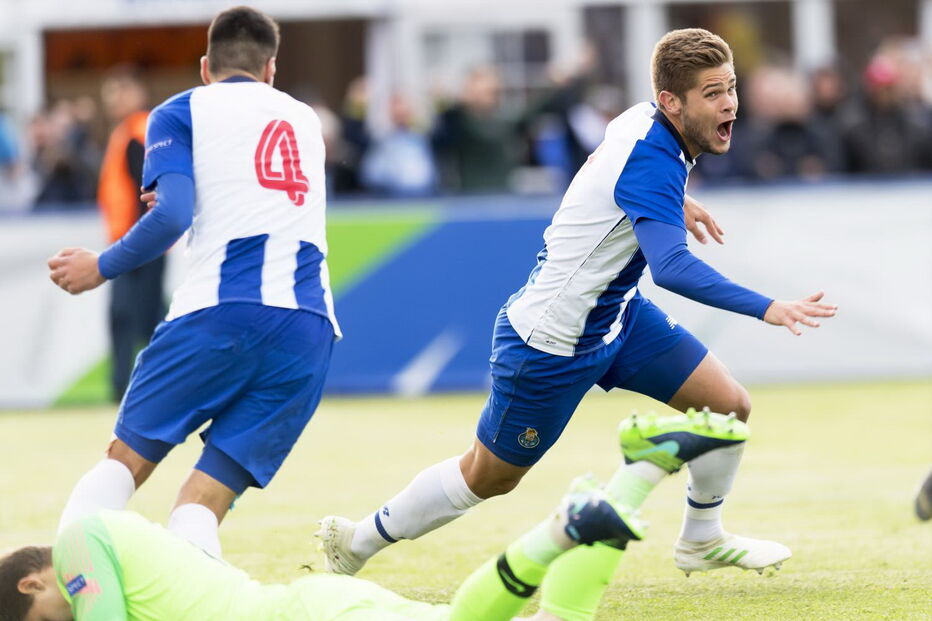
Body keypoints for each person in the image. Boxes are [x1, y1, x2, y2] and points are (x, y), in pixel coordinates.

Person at [319, 29, 836, 612]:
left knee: (728, 406)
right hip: (549, 342)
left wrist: (674, 203)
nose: (731, 104)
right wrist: (768, 306)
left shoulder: (645, 122)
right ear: (672, 102)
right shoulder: (652, 155)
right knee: (487, 475)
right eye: (713, 93)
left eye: (732, 88)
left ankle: (701, 539)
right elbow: (669, 268)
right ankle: (357, 541)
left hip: (615, 317)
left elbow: (608, 179)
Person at [46, 6, 339, 559]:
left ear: (205, 66)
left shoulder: (180, 110)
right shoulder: (306, 120)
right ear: (271, 69)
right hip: (309, 330)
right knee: (202, 503)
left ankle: (60, 593)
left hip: (219, 313)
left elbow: (173, 215)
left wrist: (99, 266)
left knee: (124, 466)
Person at [0, 411, 748, 621]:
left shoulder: (77, 540)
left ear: (34, 580)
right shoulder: (123, 562)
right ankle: (637, 471)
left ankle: (581, 515)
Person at [96, 65, 164, 401]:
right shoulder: (131, 130)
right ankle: (147, 386)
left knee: (134, 316)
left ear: (138, 91)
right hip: (136, 240)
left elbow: (146, 192)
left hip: (136, 242)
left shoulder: (139, 130)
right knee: (146, 316)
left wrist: (139, 242)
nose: (113, 98)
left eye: (120, 89)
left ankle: (128, 387)